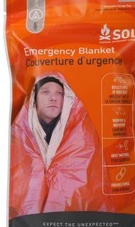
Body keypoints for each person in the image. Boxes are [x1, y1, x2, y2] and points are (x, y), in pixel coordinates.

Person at [9, 72, 113, 218]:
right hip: (29, 222)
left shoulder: (82, 133)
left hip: (74, 219)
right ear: (34, 99)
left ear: (67, 99)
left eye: (60, 93)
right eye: (45, 92)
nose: (54, 98)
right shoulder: (20, 133)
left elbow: (89, 183)